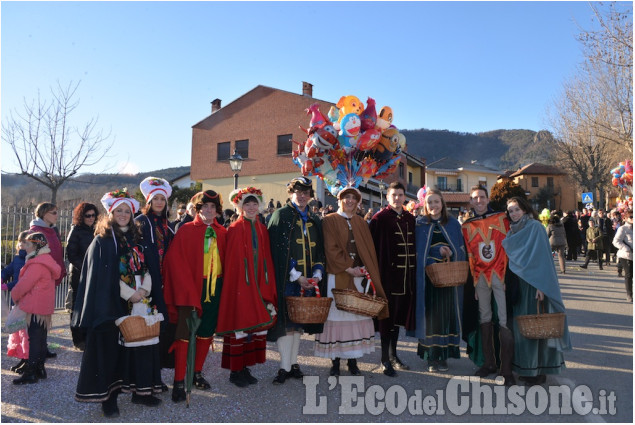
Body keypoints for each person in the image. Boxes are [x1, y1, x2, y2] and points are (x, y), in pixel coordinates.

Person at [73, 189, 163, 418]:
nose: (123, 214)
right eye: (119, 210)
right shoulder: (102, 241)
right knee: (109, 349)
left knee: (141, 344)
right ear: (111, 212)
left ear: (132, 214)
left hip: (138, 301)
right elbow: (103, 276)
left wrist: (143, 290)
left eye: (127, 211)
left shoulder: (138, 238)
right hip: (110, 305)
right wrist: (127, 293)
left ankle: (140, 390)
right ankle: (108, 398)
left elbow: (147, 267)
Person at [314, 187, 388, 376]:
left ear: (357, 202)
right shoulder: (329, 221)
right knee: (337, 317)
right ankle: (335, 362)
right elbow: (330, 247)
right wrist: (348, 268)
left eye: (353, 199)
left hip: (358, 278)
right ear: (339, 200)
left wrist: (364, 268)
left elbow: (368, 250)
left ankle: (353, 361)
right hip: (338, 275)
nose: (349, 201)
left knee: (357, 315)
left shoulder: (361, 222)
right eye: (346, 198)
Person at [163, 189, 227, 402]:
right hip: (190, 289)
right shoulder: (186, 230)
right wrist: (187, 289)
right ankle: (179, 380)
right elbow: (174, 263)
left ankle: (196, 372)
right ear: (198, 209)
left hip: (215, 289)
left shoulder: (223, 233)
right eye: (205, 207)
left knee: (206, 333)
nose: (209, 210)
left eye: (212, 207)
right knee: (184, 335)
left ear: (217, 210)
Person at [502, 197, 571, 385]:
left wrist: (542, 286)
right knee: (522, 329)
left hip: (534, 284)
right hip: (519, 284)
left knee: (536, 327)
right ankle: (526, 367)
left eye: (516, 209)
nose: (514, 213)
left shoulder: (536, 228)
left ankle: (538, 371)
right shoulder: (512, 231)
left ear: (525, 209)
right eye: (510, 211)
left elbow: (543, 259)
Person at [216, 187, 277, 388]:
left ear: (259, 205)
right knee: (240, 325)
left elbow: (265, 257)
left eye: (254, 204)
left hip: (258, 283)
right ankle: (235, 370)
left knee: (253, 325)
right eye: (247, 204)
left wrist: (264, 281)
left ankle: (245, 366)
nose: (251, 207)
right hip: (241, 285)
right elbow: (232, 262)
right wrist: (241, 283)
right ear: (241, 206)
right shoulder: (234, 228)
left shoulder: (262, 228)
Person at [267, 177, 326, 385]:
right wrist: (296, 276)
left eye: (306, 192)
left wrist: (317, 275)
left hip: (309, 280)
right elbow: (276, 249)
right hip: (288, 278)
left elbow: (320, 250)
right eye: (298, 191)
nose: (302, 196)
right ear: (290, 193)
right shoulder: (280, 215)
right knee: (286, 323)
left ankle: (293, 364)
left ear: (310, 196)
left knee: (298, 324)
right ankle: (284, 366)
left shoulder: (313, 219)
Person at [461, 185, 515, 385]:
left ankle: (506, 369)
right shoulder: (467, 226)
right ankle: (489, 363)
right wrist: (472, 284)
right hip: (480, 276)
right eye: (475, 198)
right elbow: (468, 253)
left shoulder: (502, 218)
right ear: (471, 201)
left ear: (487, 198)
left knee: (503, 319)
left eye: (482, 197)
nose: (479, 201)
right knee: (484, 317)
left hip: (501, 274)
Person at [408, 189, 466, 372]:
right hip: (428, 281)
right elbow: (417, 252)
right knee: (431, 318)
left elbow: (461, 249)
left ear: (442, 203)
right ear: (425, 205)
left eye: (436, 202)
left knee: (445, 317)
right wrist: (434, 254)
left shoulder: (453, 224)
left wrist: (450, 252)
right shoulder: (419, 224)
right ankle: (431, 357)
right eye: (430, 202)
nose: (433, 206)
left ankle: (444, 356)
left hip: (448, 279)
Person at [369, 181, 416, 376]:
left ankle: (394, 355)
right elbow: (372, 250)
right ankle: (384, 359)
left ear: (405, 197)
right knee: (386, 320)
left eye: (400, 194)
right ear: (388, 197)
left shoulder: (410, 219)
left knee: (397, 319)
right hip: (388, 278)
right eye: (393, 195)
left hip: (406, 278)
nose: (397, 198)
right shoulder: (379, 219)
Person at [10, 232, 62, 385]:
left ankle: (31, 372)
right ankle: (40, 368)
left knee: (34, 339)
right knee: (40, 338)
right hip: (43, 306)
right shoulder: (47, 260)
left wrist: (14, 295)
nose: (24, 247)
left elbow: (23, 285)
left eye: (26, 244)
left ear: (34, 245)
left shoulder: (37, 263)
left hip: (34, 306)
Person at [135, 177, 173, 380]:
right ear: (148, 201)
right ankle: (145, 376)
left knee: (161, 326)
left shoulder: (168, 224)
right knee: (146, 327)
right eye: (155, 198)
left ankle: (156, 373)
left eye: (162, 199)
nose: (159, 202)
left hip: (165, 282)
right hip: (147, 284)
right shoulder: (140, 222)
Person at [29, 202, 67, 359]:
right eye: (54, 212)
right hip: (42, 280)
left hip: (52, 277)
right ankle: (36, 354)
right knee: (38, 318)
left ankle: (42, 348)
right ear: (44, 214)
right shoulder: (36, 231)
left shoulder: (52, 230)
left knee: (46, 316)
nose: (57, 215)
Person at [66, 203, 99, 350]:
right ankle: (78, 339)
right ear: (81, 216)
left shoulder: (97, 230)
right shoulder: (76, 231)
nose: (91, 218)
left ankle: (88, 336)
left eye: (93, 215)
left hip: (94, 273)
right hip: (79, 274)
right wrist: (86, 268)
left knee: (91, 304)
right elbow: (71, 255)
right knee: (77, 305)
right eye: (88, 215)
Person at [2, 230, 30, 374]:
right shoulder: (18, 258)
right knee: (19, 331)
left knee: (26, 332)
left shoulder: (31, 259)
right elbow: (8, 270)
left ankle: (28, 359)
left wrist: (8, 286)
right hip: (17, 301)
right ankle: (23, 356)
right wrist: (2, 277)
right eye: (21, 241)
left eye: (25, 242)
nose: (21, 244)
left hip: (27, 301)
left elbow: (22, 281)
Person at [613, 211, 633, 302]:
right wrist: (626, 248)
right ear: (625, 218)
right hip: (626, 255)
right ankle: (629, 295)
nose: (633, 219)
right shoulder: (623, 228)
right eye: (631, 217)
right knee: (629, 275)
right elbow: (616, 241)